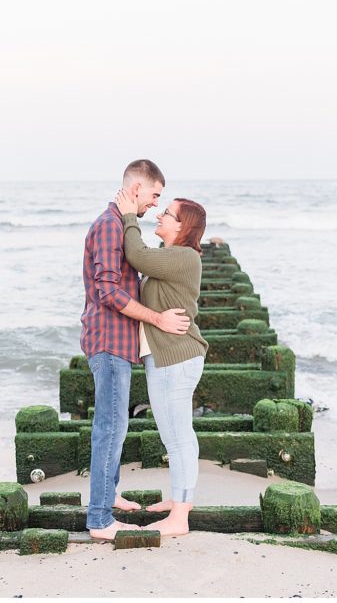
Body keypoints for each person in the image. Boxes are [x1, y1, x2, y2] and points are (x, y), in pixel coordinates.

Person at [81, 159, 192, 541]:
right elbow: (110, 291)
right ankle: (99, 520)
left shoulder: (117, 224)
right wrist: (158, 319)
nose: (154, 205)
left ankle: (108, 495)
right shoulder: (111, 226)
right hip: (110, 339)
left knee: (114, 425)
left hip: (117, 341)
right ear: (136, 189)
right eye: (154, 195)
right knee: (110, 428)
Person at [115, 188, 209, 537]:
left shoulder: (185, 257)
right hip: (169, 357)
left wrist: (127, 216)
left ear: (182, 225)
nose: (160, 215)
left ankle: (180, 516)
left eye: (167, 213)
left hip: (176, 357)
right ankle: (179, 500)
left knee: (178, 436)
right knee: (175, 434)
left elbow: (136, 255)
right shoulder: (171, 256)